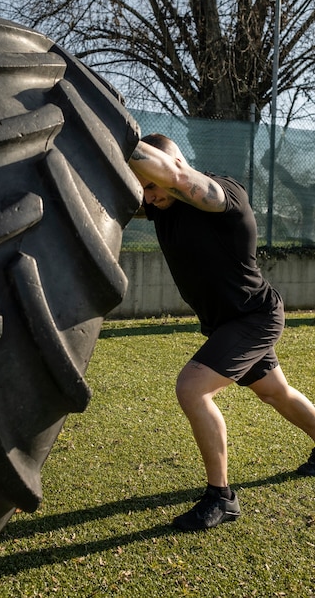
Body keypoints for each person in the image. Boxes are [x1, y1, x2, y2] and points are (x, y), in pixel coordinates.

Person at [128, 133, 315, 532]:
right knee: (276, 393)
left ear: (172, 164)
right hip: (228, 323)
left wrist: (109, 135)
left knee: (192, 388)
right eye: (141, 187)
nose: (147, 196)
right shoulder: (162, 206)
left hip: (254, 317)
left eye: (150, 184)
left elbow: (176, 176)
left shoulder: (222, 194)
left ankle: (221, 498)